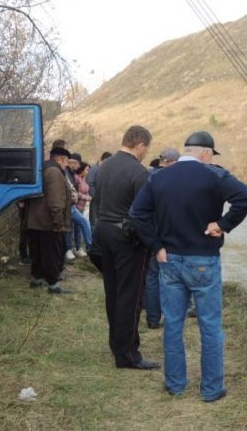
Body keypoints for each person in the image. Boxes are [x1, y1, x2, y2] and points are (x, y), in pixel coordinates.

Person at [129, 131, 247, 401]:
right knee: (210, 325)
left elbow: (136, 214)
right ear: (206, 154)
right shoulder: (215, 175)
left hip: (169, 259)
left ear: (185, 151)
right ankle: (211, 390)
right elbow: (246, 198)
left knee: (173, 324)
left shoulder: (158, 177)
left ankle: (175, 385)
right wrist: (223, 225)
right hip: (204, 262)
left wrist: (156, 246)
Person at [93, 125, 159, 370]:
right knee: (130, 297)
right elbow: (144, 214)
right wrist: (153, 243)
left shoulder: (104, 167)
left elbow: (96, 203)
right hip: (127, 237)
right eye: (146, 148)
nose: (145, 153)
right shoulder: (138, 172)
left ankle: (117, 345)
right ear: (140, 144)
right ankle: (128, 355)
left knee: (113, 292)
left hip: (104, 232)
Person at [26, 146, 73, 294]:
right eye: (66, 162)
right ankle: (53, 285)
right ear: (60, 159)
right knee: (52, 253)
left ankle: (36, 279)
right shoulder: (55, 172)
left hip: (35, 220)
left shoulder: (42, 169)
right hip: (49, 222)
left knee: (38, 253)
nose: (66, 166)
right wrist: (58, 223)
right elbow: (56, 200)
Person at [143, 147, 180, 329]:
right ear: (173, 162)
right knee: (171, 278)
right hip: (168, 235)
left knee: (151, 276)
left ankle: (152, 318)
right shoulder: (173, 180)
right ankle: (171, 316)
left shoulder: (148, 178)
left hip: (150, 235)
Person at [86, 151, 112, 230]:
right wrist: (95, 196)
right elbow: (90, 184)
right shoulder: (94, 169)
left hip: (101, 199)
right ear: (104, 160)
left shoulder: (103, 169)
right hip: (95, 199)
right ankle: (93, 238)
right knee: (94, 219)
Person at [72, 162, 93, 258]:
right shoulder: (76, 178)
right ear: (82, 170)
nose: (88, 172)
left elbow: (85, 190)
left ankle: (78, 248)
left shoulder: (83, 179)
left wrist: (88, 196)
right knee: (77, 226)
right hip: (75, 206)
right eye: (87, 170)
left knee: (78, 229)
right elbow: (75, 193)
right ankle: (74, 248)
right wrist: (85, 197)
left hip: (81, 207)